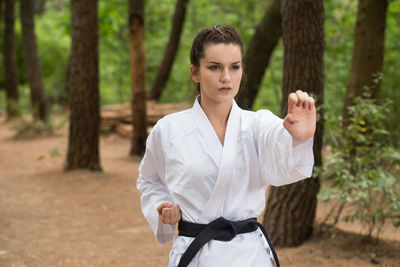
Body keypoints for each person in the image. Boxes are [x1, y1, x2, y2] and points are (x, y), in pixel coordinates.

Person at [137, 25, 316, 267]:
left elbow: (280, 143)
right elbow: (150, 180)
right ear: (195, 72)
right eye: (214, 67)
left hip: (250, 256)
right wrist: (162, 205)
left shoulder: (258, 124)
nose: (226, 77)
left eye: (235, 66)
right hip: (196, 253)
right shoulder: (169, 130)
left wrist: (298, 138)